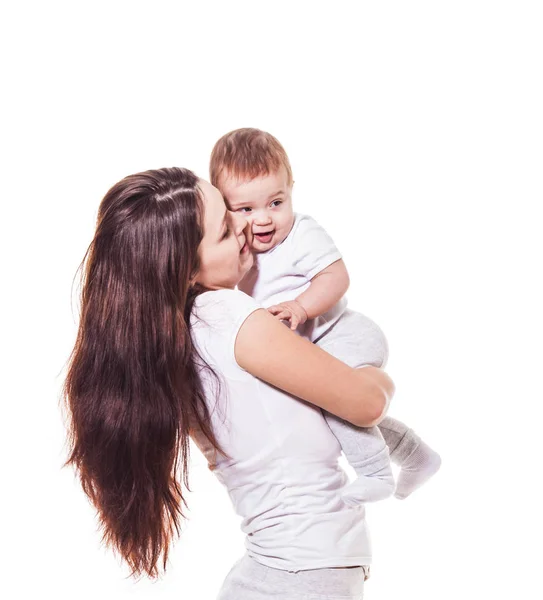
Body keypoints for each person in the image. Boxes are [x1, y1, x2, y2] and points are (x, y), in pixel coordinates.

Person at [63, 166, 395, 598]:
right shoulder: (230, 317)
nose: (245, 224)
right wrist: (371, 366)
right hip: (302, 575)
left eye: (229, 208)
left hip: (282, 573)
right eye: (223, 230)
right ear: (183, 271)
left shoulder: (175, 334)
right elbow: (367, 403)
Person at [209, 128, 441, 504]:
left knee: (336, 400)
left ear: (292, 189)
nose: (264, 220)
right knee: (338, 410)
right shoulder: (241, 250)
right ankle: (417, 456)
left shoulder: (302, 232)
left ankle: (375, 472)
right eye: (246, 209)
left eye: (276, 202)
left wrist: (301, 307)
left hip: (343, 334)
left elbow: (336, 277)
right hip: (316, 345)